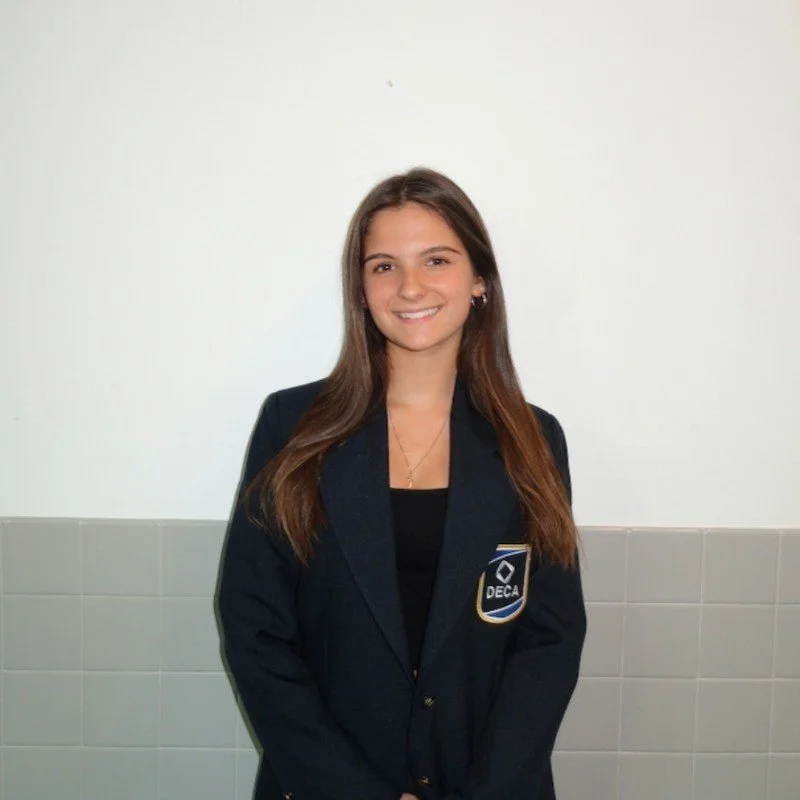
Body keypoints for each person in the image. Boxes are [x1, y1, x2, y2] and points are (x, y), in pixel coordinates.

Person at [217, 167, 586, 800]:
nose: (409, 286)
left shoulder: (532, 438)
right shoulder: (293, 427)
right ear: (361, 289)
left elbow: (548, 640)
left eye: (436, 260)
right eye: (384, 266)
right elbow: (255, 629)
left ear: (479, 282)